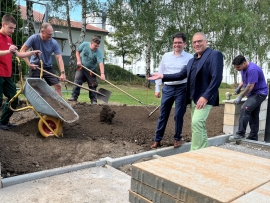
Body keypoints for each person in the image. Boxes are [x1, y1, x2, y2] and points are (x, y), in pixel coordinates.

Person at [148, 32, 223, 151]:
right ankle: (203, 150)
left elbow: (217, 78)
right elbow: (180, 75)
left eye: (199, 41)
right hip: (193, 97)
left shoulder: (215, 55)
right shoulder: (192, 60)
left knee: (196, 122)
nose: (197, 44)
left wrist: (206, 96)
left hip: (204, 98)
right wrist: (162, 76)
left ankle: (194, 152)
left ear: (206, 42)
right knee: (199, 125)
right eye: (195, 42)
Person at [150, 32, 193, 149]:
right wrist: (157, 88)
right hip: (168, 88)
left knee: (178, 115)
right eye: (175, 42)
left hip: (182, 89)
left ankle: (177, 139)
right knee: (163, 115)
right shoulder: (166, 56)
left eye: (179, 42)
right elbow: (160, 72)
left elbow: (189, 76)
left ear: (184, 43)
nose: (177, 45)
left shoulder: (190, 58)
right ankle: (157, 140)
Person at [0, 14, 41, 130]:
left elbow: (17, 54)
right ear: (4, 24)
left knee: (13, 99)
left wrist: (32, 52)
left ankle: (3, 122)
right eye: (10, 28)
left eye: (14, 28)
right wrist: (8, 51)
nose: (13, 31)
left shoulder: (9, 39)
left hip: (7, 75)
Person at [20, 22, 66, 96]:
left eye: (51, 34)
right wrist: (29, 64)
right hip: (35, 66)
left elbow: (59, 58)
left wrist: (62, 73)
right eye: (49, 34)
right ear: (42, 32)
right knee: (35, 88)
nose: (51, 36)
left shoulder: (54, 43)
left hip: (47, 67)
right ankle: (34, 105)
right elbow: (22, 51)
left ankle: (59, 107)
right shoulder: (34, 38)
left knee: (58, 86)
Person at [229, 55, 268, 141]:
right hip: (253, 94)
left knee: (245, 109)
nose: (237, 69)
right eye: (235, 67)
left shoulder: (252, 69)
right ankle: (253, 137)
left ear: (244, 63)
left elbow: (250, 86)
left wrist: (240, 96)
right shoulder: (243, 68)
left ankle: (240, 134)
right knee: (253, 114)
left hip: (259, 93)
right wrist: (239, 87)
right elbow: (244, 79)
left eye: (238, 67)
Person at [68, 36, 105, 104]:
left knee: (93, 85)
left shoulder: (98, 53)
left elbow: (101, 63)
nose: (96, 47)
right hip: (82, 67)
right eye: (95, 45)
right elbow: (77, 51)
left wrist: (102, 74)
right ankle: (74, 97)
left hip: (91, 70)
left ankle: (93, 100)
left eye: (98, 46)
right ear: (91, 43)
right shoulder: (84, 45)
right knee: (77, 80)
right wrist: (78, 61)